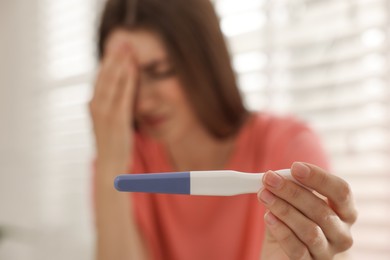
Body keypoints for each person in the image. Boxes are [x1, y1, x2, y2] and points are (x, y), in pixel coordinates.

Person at [89, 0, 357, 259]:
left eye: (160, 71)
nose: (143, 101)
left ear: (203, 58)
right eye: (123, 80)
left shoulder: (289, 148)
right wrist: (111, 163)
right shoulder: (119, 163)